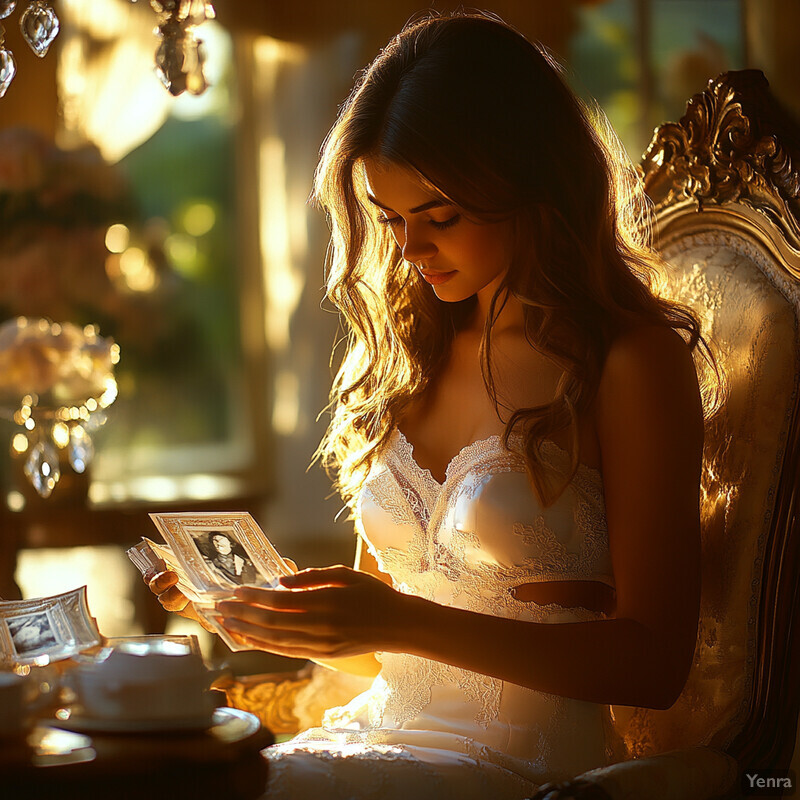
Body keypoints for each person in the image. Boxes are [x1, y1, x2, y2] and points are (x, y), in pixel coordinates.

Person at [148, 11, 708, 799]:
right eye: (391, 219)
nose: (409, 250)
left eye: (438, 217)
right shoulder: (415, 357)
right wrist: (256, 617)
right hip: (377, 742)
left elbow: (655, 665)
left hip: (521, 773)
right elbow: (380, 655)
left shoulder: (628, 363)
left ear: (529, 179)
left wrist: (399, 622)